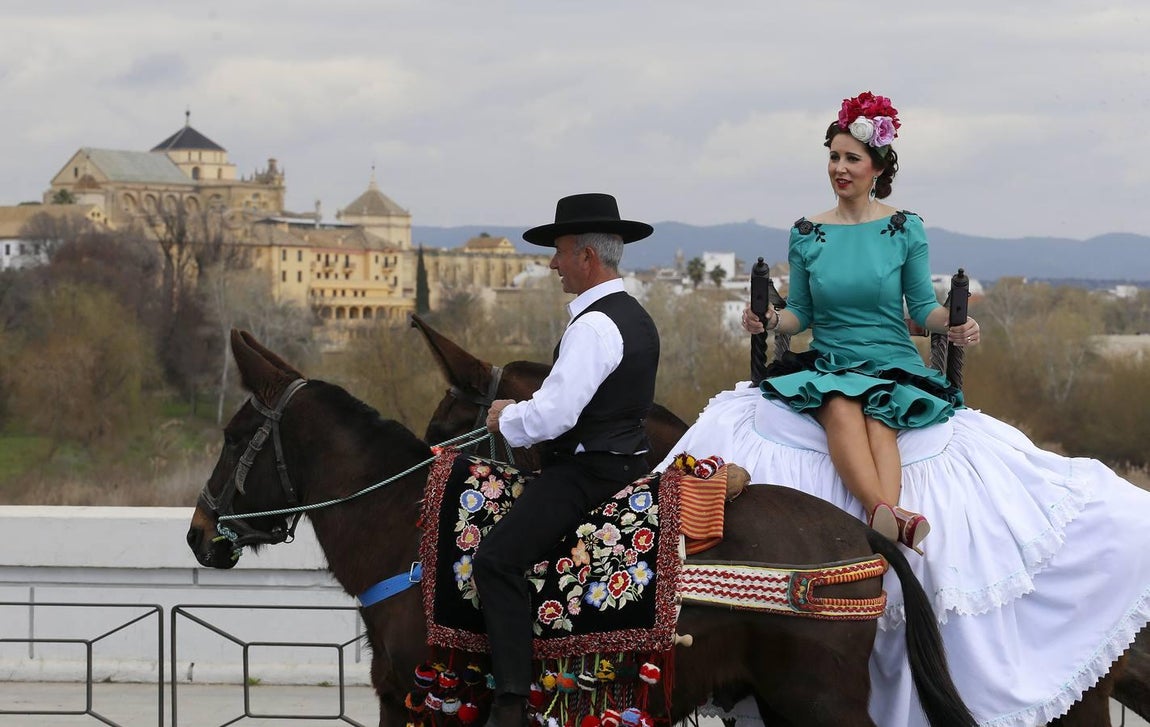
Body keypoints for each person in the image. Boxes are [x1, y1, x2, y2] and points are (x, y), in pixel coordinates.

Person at [657, 92, 1150, 726]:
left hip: (891, 360)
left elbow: (922, 310)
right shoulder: (807, 234)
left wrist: (955, 324)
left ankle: (889, 516)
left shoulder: (904, 228)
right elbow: (800, 313)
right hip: (831, 359)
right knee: (837, 404)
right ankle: (885, 514)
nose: (839, 168)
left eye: (851, 157)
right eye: (833, 157)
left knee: (880, 414)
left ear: (877, 163)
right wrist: (770, 318)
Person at [475, 193, 659, 727]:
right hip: (626, 460)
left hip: (590, 473)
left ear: (586, 257)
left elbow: (554, 416)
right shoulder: (635, 316)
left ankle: (510, 698)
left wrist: (505, 417)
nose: (553, 264)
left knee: (495, 560)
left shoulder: (594, 327)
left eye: (558, 252)